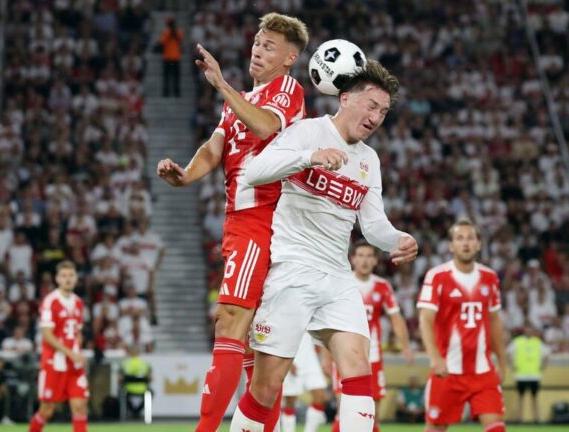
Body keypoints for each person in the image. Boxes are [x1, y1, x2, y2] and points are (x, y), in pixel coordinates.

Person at [230, 60, 418, 432]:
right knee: (267, 387)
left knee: (357, 367)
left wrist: (398, 238)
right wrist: (308, 158)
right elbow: (252, 173)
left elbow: (373, 224)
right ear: (345, 98)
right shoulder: (307, 133)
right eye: (371, 105)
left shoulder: (369, 160)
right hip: (292, 270)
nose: (377, 116)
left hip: (337, 277)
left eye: (383, 111)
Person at [156, 12, 309, 432]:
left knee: (229, 320)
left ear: (289, 58)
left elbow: (261, 128)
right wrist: (186, 174)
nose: (258, 50)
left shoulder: (287, 91)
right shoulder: (241, 99)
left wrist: (221, 85)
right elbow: (215, 146)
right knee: (256, 349)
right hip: (240, 223)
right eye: (258, 43)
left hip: (261, 220)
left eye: (270, 46)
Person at [417, 218, 507, 432]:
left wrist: (502, 361)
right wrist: (435, 358)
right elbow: (425, 319)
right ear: (451, 246)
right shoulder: (437, 276)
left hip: (482, 371)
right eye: (459, 238)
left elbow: (494, 321)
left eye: (470, 238)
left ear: (479, 244)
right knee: (435, 429)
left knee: (496, 428)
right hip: (447, 370)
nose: (465, 243)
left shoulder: (490, 277)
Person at [331, 240, 414, 431]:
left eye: (369, 256)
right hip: (344, 355)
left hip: (373, 356)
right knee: (344, 411)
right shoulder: (342, 283)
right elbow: (330, 321)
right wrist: (326, 355)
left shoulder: (382, 286)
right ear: (352, 259)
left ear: (376, 261)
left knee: (371, 415)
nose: (364, 261)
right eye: (360, 256)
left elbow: (396, 318)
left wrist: (406, 347)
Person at [28, 261, 89, 432]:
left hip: (74, 364)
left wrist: (78, 349)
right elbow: (48, 335)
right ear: (57, 279)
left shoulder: (78, 303)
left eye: (71, 275)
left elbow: (78, 331)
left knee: (80, 406)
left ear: (76, 278)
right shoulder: (50, 301)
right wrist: (71, 353)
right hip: (54, 363)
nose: (68, 279)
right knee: (47, 410)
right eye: (64, 276)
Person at [280, 334, 327, 432]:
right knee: (290, 401)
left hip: (310, 356)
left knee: (320, 396)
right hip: (292, 356)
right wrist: (288, 361)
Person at [507, 321, 549, 423]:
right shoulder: (517, 341)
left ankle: (536, 418)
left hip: (534, 374)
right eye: (527, 328)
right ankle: (519, 418)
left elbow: (546, 355)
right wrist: (512, 366)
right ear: (524, 329)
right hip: (521, 374)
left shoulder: (537, 342)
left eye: (530, 328)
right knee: (520, 397)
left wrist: (542, 367)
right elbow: (507, 353)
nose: (529, 330)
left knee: (534, 397)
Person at [120, 345, 151, 419]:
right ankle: (137, 412)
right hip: (143, 389)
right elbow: (150, 377)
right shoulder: (144, 363)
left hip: (128, 389)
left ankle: (133, 412)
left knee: (121, 394)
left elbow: (120, 378)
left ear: (130, 353)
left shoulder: (125, 363)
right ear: (139, 353)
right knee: (151, 393)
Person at [159, 16, 183, 97]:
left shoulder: (177, 31)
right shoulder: (166, 32)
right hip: (167, 57)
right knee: (166, 77)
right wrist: (170, 33)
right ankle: (166, 92)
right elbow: (161, 41)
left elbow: (180, 37)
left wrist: (173, 32)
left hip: (175, 57)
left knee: (176, 77)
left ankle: (177, 92)